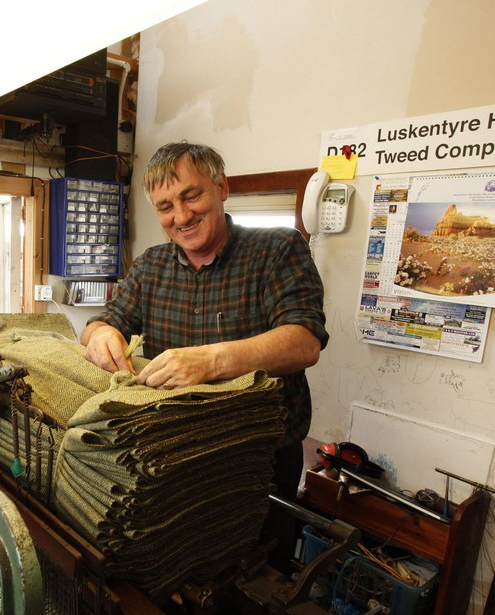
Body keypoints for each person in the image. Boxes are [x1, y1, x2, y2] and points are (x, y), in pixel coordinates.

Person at [81, 142, 329, 557]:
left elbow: (303, 341)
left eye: (191, 195)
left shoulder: (278, 250)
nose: (181, 216)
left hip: (257, 465)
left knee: (253, 575)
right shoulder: (150, 266)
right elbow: (99, 324)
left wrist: (212, 360)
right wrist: (100, 335)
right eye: (165, 206)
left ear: (222, 187)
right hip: (171, 460)